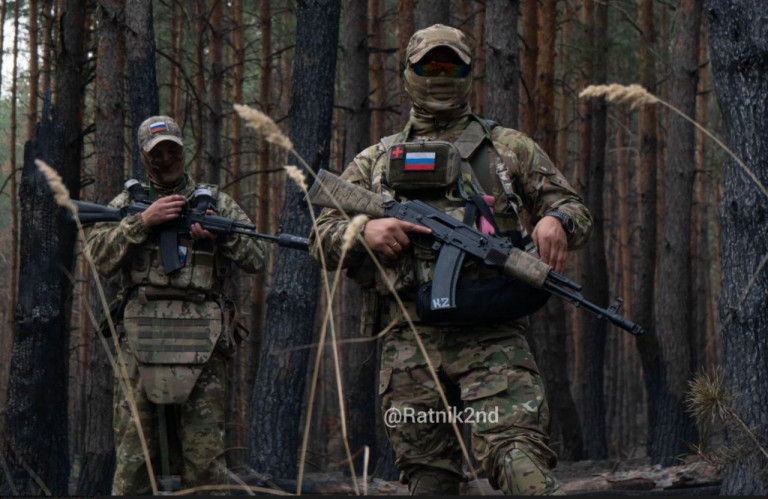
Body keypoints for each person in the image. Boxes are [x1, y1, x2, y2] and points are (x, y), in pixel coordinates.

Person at [310, 25, 592, 495]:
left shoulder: (509, 149)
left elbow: (576, 209)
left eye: (450, 65)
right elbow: (320, 236)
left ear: (467, 73)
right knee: (427, 476)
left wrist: (557, 221)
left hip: (493, 336)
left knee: (518, 458)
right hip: (408, 342)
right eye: (429, 66)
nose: (440, 75)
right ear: (410, 73)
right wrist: (365, 231)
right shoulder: (374, 161)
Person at [86, 116, 267, 494]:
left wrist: (221, 237)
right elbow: (98, 258)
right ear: (143, 156)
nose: (166, 158)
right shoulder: (126, 204)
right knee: (135, 457)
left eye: (172, 149)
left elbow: (258, 255)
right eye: (157, 152)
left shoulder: (215, 202)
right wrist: (142, 223)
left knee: (205, 460)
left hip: (204, 339)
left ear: (183, 149)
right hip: (139, 338)